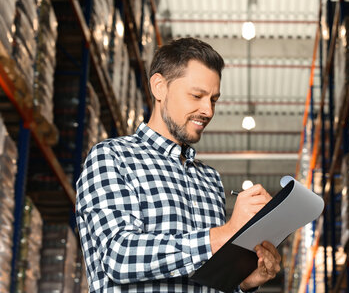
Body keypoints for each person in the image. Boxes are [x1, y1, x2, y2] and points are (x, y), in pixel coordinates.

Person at [76, 38, 281, 292]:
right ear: (159, 87)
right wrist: (224, 235)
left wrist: (244, 283)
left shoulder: (208, 179)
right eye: (197, 95)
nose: (207, 110)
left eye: (213, 100)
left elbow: (208, 279)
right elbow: (118, 255)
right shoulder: (112, 158)